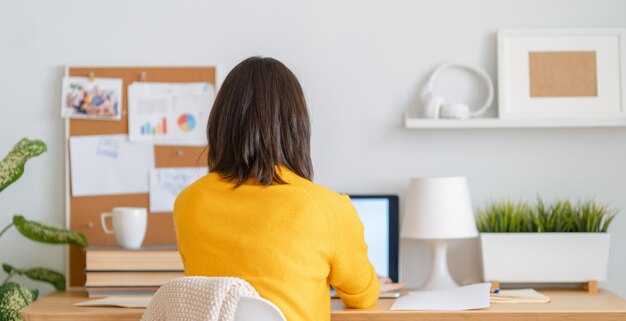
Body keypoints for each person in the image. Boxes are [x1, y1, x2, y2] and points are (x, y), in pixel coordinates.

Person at [174, 57, 401, 321]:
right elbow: (363, 296)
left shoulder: (189, 202)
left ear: (220, 125)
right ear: (296, 127)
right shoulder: (328, 208)